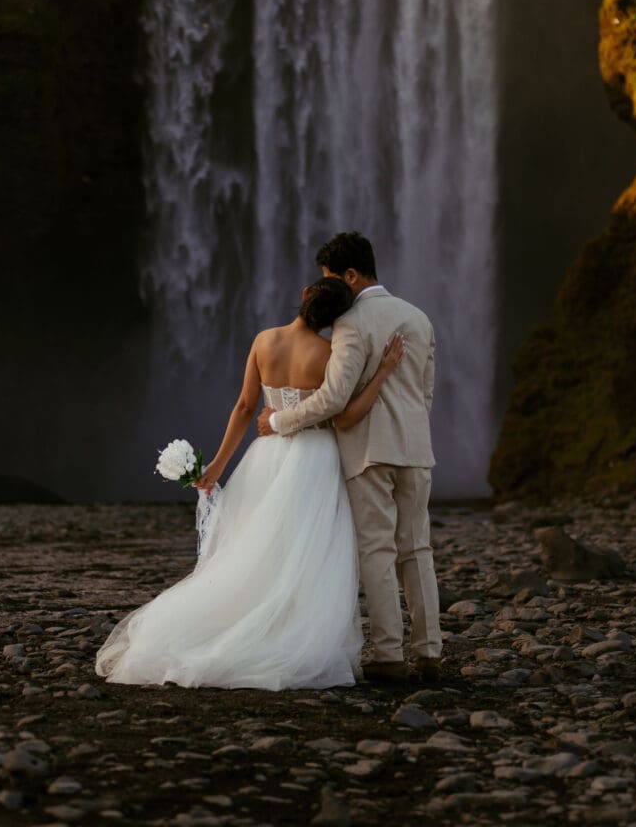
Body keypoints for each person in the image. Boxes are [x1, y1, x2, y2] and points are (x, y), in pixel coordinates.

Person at [95, 277, 404, 691]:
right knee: (307, 552)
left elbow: (245, 406)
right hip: (314, 457)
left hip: (266, 457)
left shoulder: (264, 341)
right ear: (337, 318)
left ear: (303, 297)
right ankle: (290, 631)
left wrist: (219, 465)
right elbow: (345, 417)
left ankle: (248, 623)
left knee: (259, 546)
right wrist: (383, 371)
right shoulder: (330, 354)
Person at [257, 232, 442, 684]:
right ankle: (430, 650)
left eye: (331, 279)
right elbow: (426, 393)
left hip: (368, 451)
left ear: (351, 275)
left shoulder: (351, 323)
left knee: (377, 550)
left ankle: (388, 655)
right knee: (417, 548)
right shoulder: (419, 318)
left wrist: (280, 422)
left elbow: (334, 398)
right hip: (416, 450)